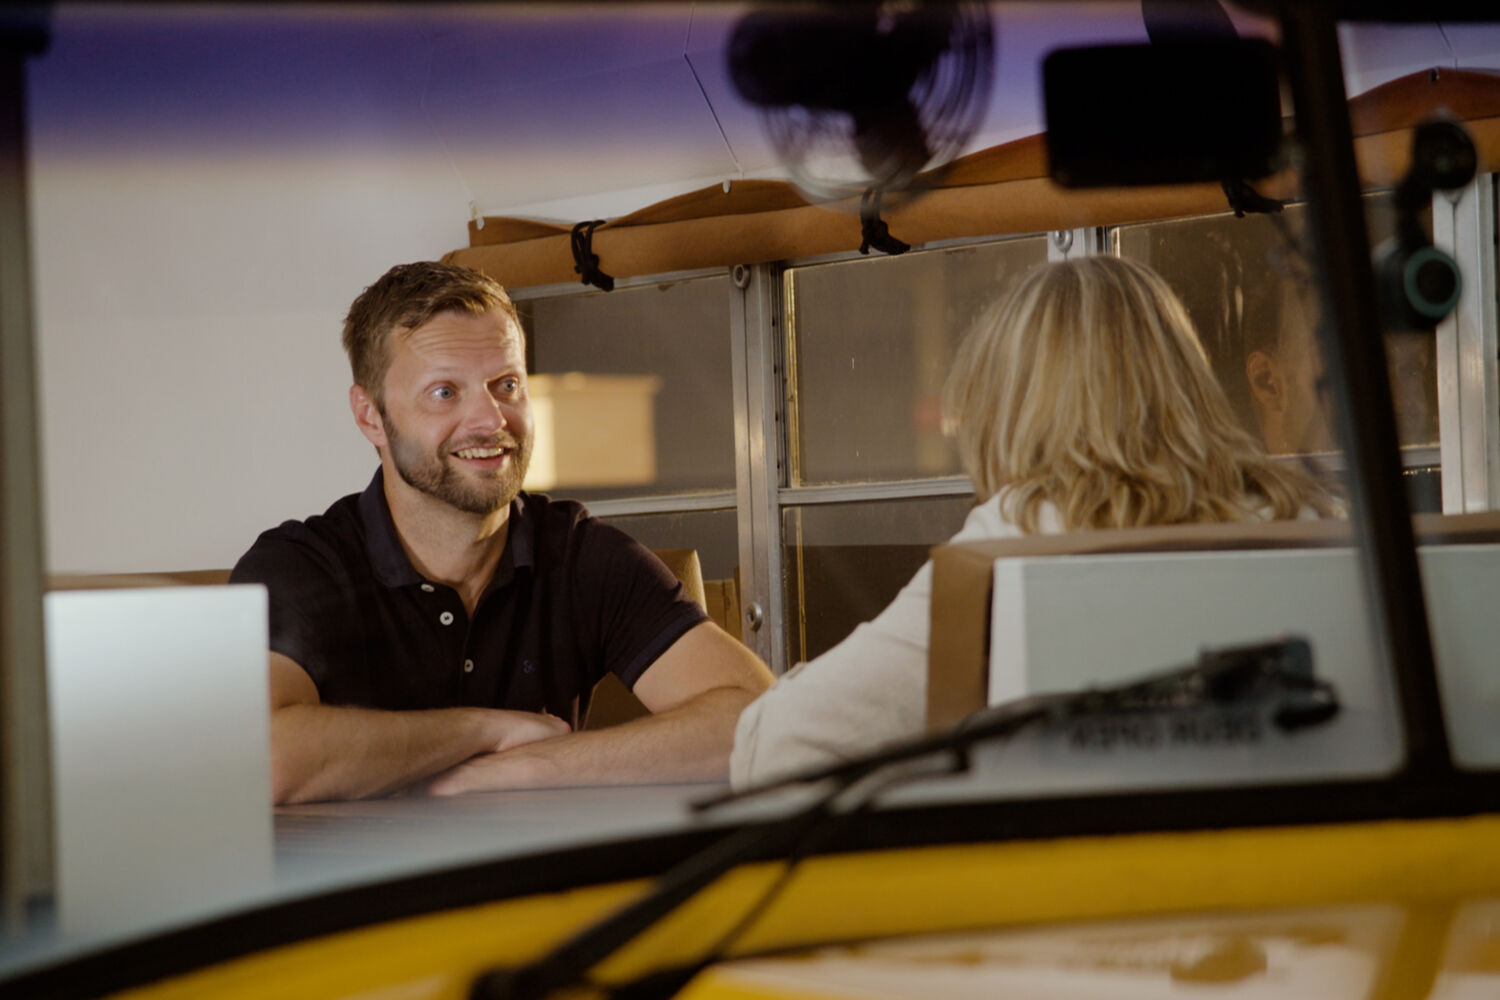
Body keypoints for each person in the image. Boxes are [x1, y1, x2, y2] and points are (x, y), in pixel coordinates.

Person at [730, 256, 1339, 788]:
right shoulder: (1310, 512)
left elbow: (778, 748)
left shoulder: (1019, 533)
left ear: (1010, 408)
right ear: (1185, 382)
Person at [232, 261, 773, 804]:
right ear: (370, 416)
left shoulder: (581, 554)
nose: (490, 420)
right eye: (445, 392)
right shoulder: (299, 565)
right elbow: (258, 759)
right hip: (356, 887)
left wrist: (526, 768)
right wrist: (483, 730)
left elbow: (763, 725)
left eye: (506, 384)